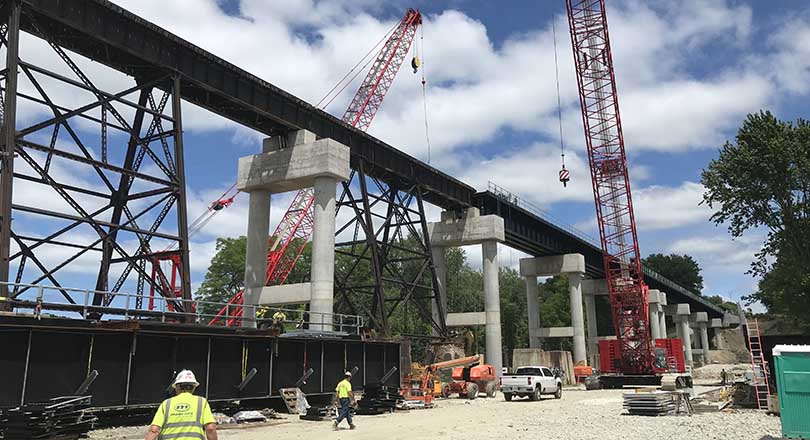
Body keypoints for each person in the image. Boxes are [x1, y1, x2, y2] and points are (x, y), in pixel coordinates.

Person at [146, 370, 217, 440]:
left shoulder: (166, 404)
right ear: (194, 387)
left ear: (177, 387)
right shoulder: (201, 402)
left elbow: (154, 430)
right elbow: (210, 428)